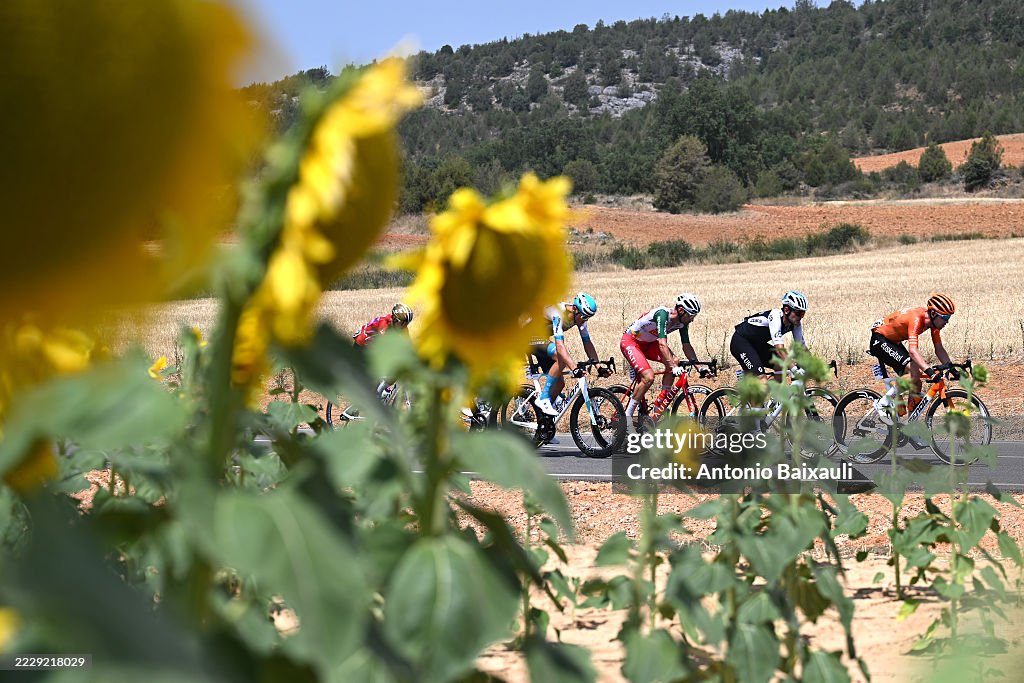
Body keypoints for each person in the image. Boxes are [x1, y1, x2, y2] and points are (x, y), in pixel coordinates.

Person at [620, 293, 702, 432]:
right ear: (681, 311)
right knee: (649, 377)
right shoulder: (662, 315)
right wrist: (673, 367)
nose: (692, 320)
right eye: (691, 316)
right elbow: (662, 344)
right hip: (632, 342)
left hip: (649, 344)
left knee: (675, 360)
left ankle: (660, 403)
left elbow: (686, 345)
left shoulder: (682, 322)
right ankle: (627, 418)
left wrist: (699, 367)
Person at [869, 293, 954, 414]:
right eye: (945, 318)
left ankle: (910, 425)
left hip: (894, 342)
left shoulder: (934, 324)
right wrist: (929, 371)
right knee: (913, 375)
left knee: (917, 382)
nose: (947, 322)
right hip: (880, 340)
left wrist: (951, 367)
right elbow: (913, 351)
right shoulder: (917, 319)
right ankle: (883, 403)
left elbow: (939, 348)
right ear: (934, 314)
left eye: (949, 318)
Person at [533, 292, 609, 417]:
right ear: (574, 309)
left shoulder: (579, 317)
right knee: (560, 356)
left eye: (587, 318)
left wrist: (598, 366)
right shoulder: (558, 313)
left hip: (541, 339)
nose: (585, 320)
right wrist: (574, 369)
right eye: (584, 317)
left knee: (559, 384)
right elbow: (560, 346)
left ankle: (544, 422)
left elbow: (587, 343)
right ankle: (543, 399)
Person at [730, 290, 808, 378]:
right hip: (741, 342)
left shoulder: (795, 323)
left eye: (803, 313)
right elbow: (779, 349)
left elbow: (802, 347)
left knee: (782, 367)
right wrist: (795, 370)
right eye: (798, 313)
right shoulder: (775, 316)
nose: (800, 317)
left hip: (758, 345)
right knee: (762, 378)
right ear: (786, 310)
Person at [353, 303, 414, 398]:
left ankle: (377, 394)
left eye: (406, 323)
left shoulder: (403, 329)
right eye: (402, 323)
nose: (404, 326)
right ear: (394, 319)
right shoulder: (384, 324)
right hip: (362, 345)